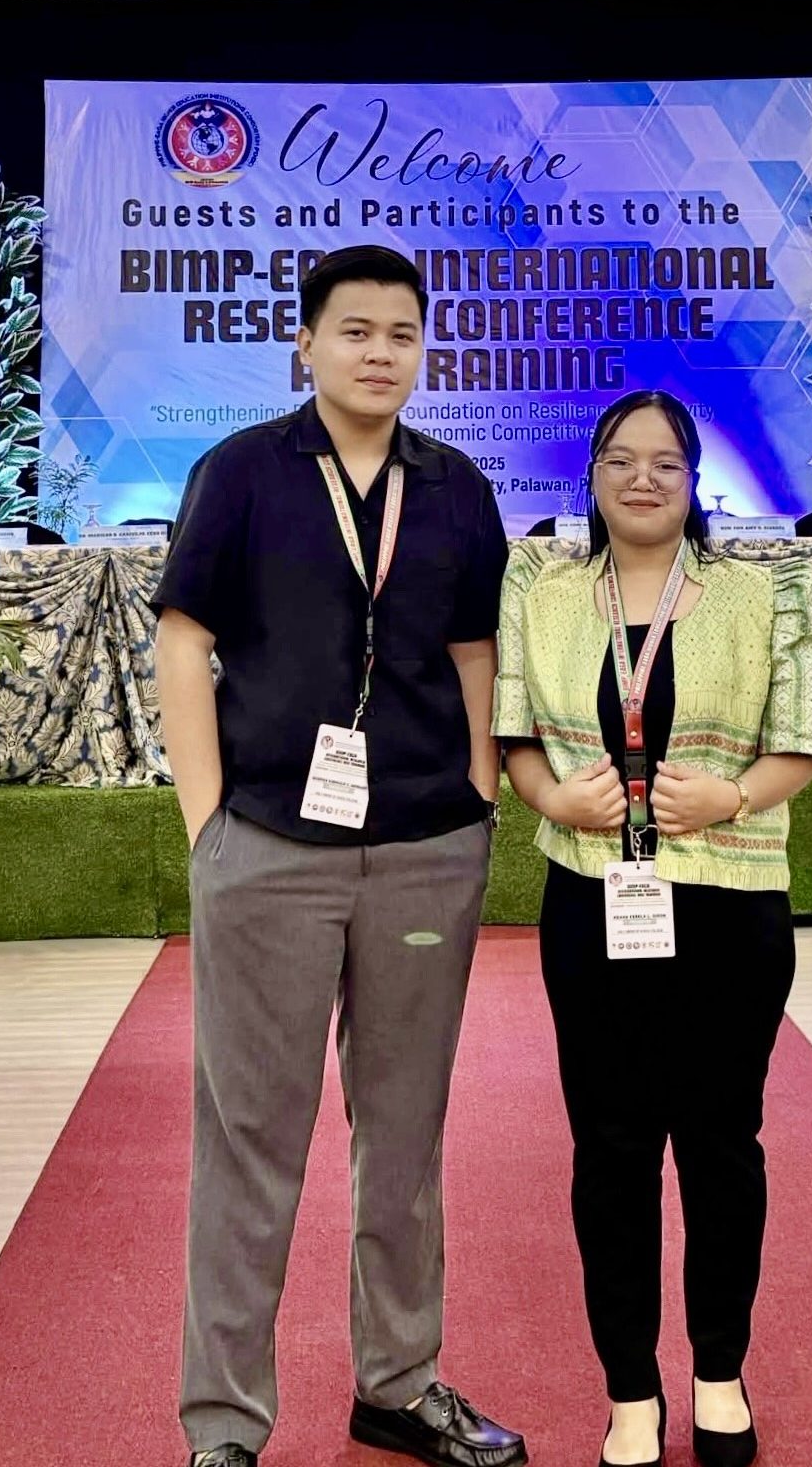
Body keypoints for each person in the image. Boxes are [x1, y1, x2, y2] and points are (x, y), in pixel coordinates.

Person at [153, 244, 524, 1467]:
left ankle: (398, 1384)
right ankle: (223, 1425)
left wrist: (476, 801)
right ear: (303, 344)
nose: (379, 353)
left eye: (401, 334)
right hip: (267, 843)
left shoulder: (456, 488)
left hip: (424, 847)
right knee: (248, 1142)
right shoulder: (242, 473)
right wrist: (207, 825)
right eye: (354, 331)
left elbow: (474, 655)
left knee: (404, 1134)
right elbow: (184, 640)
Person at [493, 391, 812, 1467]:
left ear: (694, 482)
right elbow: (512, 733)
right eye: (619, 459)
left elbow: (805, 737)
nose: (641, 479)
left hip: (731, 904)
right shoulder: (541, 590)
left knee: (721, 1146)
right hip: (590, 901)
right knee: (611, 1151)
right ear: (591, 476)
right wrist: (552, 799)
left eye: (664, 463)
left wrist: (731, 798)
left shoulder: (766, 591)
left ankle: (719, 1374)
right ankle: (630, 1393)